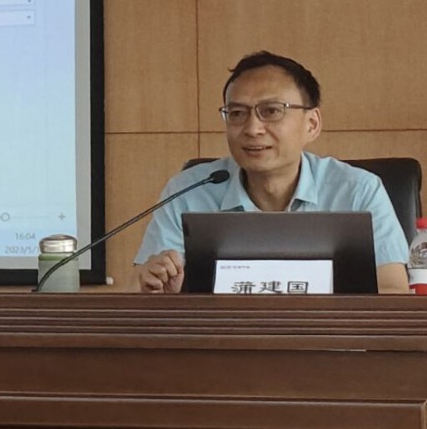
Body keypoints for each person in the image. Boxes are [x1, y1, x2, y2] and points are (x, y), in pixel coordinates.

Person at [130, 51, 410, 294]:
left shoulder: (358, 191)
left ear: (312, 124)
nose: (252, 129)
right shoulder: (190, 191)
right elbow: (141, 288)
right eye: (237, 113)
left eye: (272, 111)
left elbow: (393, 291)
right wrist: (158, 288)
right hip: (220, 339)